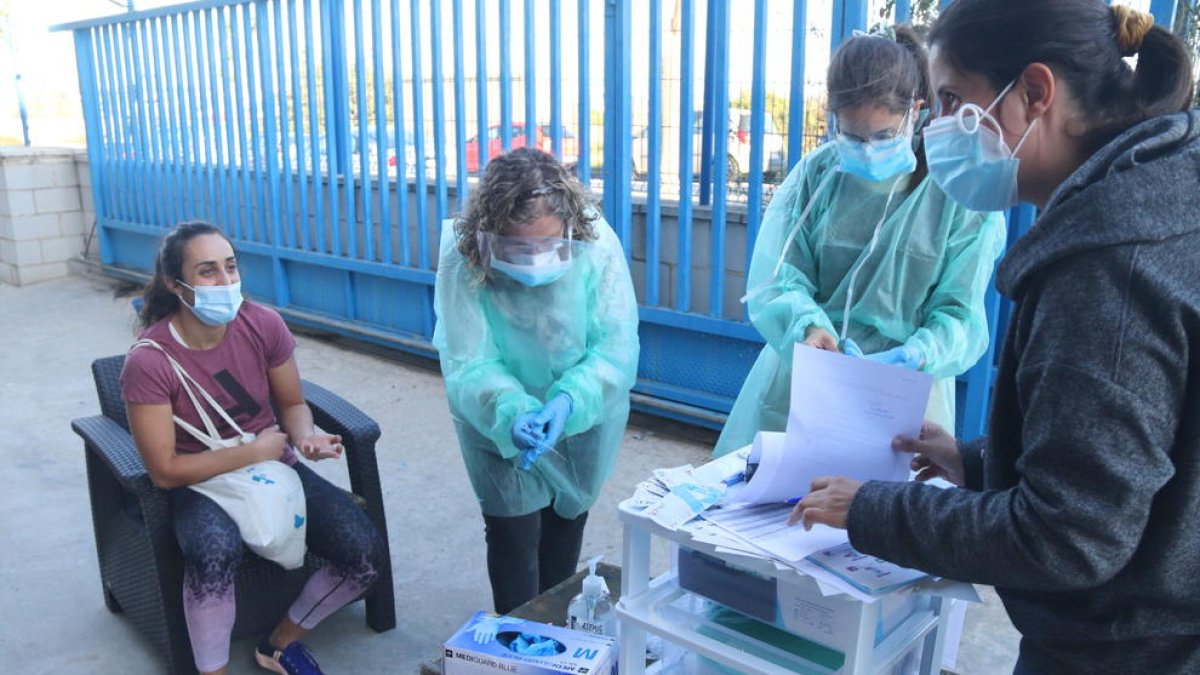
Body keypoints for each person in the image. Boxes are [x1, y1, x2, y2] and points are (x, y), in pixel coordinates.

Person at [791, 2, 1200, 673]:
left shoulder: (1106, 265)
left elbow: (1069, 535)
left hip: (1125, 648)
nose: (940, 128)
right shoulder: (1162, 187)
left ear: (1035, 93)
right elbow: (1129, 446)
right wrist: (980, 461)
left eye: (952, 100)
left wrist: (873, 509)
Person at [713, 23, 1007, 457]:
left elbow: (961, 313)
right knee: (781, 504)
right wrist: (810, 327)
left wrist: (918, 352)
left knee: (889, 512)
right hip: (808, 377)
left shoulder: (955, 194)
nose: (866, 149)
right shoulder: (817, 176)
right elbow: (776, 278)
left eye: (884, 136)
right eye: (851, 136)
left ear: (917, 112)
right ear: (833, 118)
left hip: (903, 394)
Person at [121, 222, 385, 675]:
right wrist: (256, 452)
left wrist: (305, 437)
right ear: (174, 283)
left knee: (363, 554)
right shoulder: (148, 361)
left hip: (270, 467)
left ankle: (279, 643)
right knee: (212, 552)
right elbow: (164, 470)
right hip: (198, 482)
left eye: (230, 267)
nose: (225, 283)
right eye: (207, 272)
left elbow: (293, 404)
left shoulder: (262, 324)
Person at [432, 147, 639, 614]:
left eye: (548, 244)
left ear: (570, 228)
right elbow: (468, 358)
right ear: (487, 235)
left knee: (566, 523)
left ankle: (555, 637)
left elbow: (615, 346)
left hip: (582, 416)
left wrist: (568, 400)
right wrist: (510, 409)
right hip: (493, 417)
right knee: (512, 535)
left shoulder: (596, 244)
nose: (534, 261)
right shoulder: (462, 255)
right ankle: (516, 643)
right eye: (515, 248)